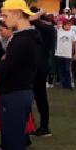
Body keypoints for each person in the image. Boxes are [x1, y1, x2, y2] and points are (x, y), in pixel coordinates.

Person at [0, 0, 41, 150]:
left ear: (17, 14)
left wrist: (2, 63)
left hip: (15, 94)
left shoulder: (23, 40)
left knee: (15, 143)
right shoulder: (25, 36)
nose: (3, 19)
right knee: (11, 141)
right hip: (16, 92)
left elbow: (3, 68)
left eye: (5, 14)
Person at [28, 8, 55, 137]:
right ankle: (39, 126)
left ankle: (43, 127)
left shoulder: (46, 29)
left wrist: (34, 15)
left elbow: (31, 20)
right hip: (39, 65)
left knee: (39, 97)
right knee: (38, 97)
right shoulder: (45, 28)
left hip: (39, 66)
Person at [55, 16, 76, 91]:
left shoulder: (72, 33)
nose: (69, 26)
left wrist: (75, 53)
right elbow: (56, 24)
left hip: (68, 54)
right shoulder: (59, 30)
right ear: (64, 25)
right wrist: (59, 24)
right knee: (61, 70)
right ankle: (63, 84)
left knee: (67, 70)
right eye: (67, 24)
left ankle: (69, 84)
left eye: (70, 24)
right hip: (60, 54)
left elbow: (74, 44)